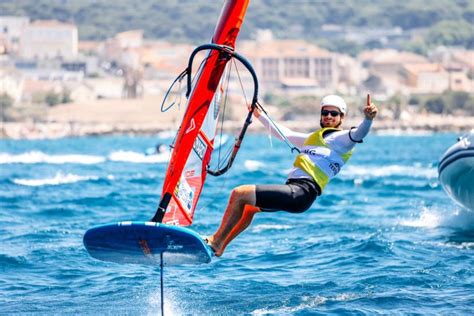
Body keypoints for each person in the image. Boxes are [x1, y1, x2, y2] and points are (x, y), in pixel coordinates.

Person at [206, 94, 378, 257]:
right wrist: (259, 115)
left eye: (334, 113)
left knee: (240, 193)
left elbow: (358, 134)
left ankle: (215, 240)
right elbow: (284, 133)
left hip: (302, 192)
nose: (328, 116)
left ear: (342, 117)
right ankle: (221, 247)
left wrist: (368, 119)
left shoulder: (343, 140)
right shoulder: (313, 138)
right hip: (297, 193)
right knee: (249, 208)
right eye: (325, 112)